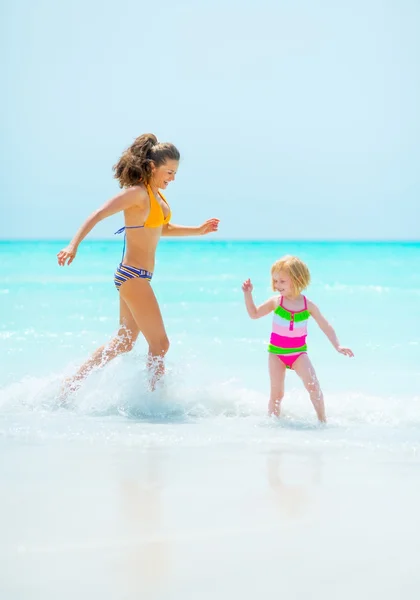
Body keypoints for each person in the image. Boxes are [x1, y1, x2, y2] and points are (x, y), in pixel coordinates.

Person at [57, 133, 219, 392]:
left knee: (123, 342)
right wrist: (72, 245)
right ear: (152, 167)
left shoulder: (156, 195)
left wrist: (198, 230)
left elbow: (161, 229)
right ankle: (155, 400)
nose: (172, 178)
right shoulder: (137, 194)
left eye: (175, 173)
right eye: (168, 172)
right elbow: (98, 213)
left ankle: (70, 385)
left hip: (136, 276)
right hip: (133, 276)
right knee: (161, 344)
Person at [242, 255, 353, 422]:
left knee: (314, 386)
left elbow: (325, 325)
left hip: (299, 353)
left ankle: (323, 422)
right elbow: (254, 314)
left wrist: (337, 346)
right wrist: (248, 294)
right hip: (276, 354)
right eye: (275, 281)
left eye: (282, 281)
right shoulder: (276, 302)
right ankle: (272, 424)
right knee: (277, 394)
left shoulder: (308, 305)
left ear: (297, 279)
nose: (277, 285)